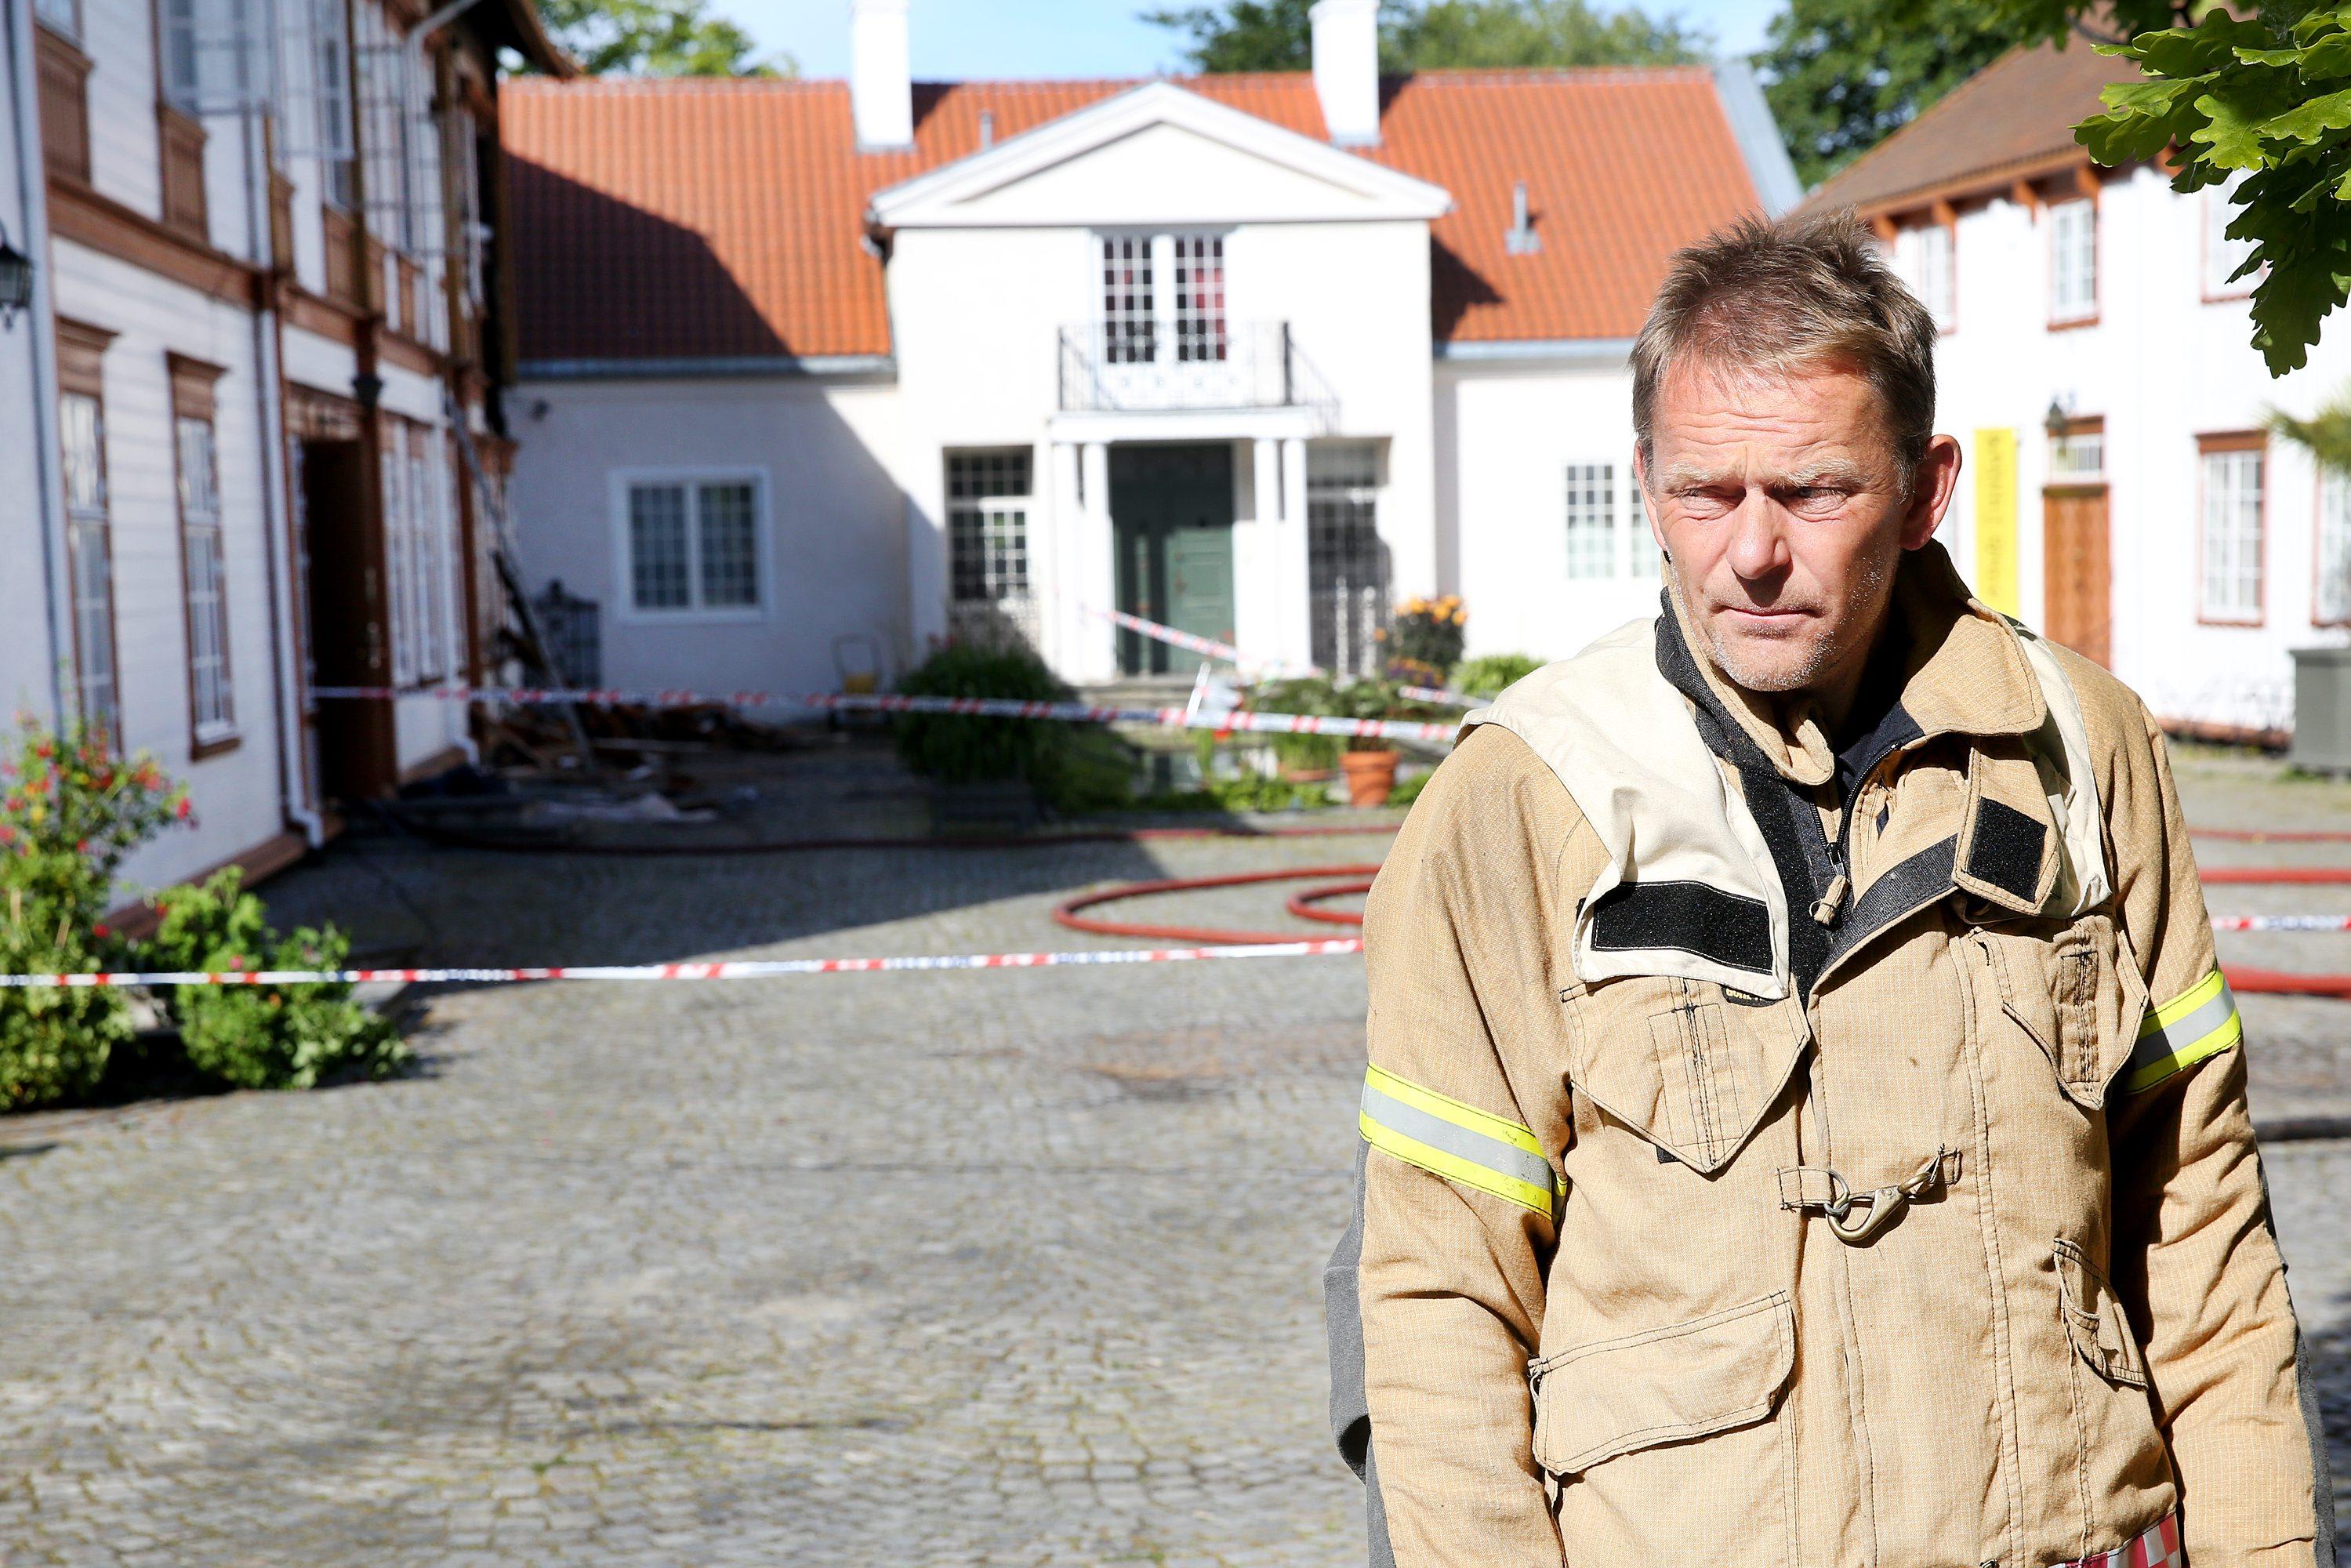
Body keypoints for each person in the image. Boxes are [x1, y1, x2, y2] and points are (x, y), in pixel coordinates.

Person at [1324, 209, 2335, 1568]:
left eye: (1811, 492)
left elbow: (2202, 1221)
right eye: (1705, 493)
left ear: (1924, 491)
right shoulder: (1525, 797)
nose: (1751, 551)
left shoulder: (2085, 751)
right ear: (1646, 483)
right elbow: (1442, 1293)